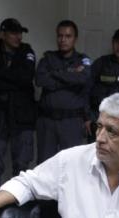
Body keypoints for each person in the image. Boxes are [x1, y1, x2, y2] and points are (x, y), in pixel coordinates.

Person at [0, 18, 37, 190]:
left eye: (20, 33)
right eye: (13, 33)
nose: (18, 37)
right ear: (3, 34)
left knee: (22, 165)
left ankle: (20, 203)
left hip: (22, 117)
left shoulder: (27, 51)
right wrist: (15, 79)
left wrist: (1, 74)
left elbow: (26, 77)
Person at [35, 20, 92, 164]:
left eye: (68, 36)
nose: (63, 40)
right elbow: (40, 80)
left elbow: (83, 78)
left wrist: (55, 73)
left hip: (71, 121)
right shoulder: (47, 58)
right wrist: (70, 77)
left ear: (75, 39)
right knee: (45, 166)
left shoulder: (83, 60)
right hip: (47, 121)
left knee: (72, 165)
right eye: (60, 36)